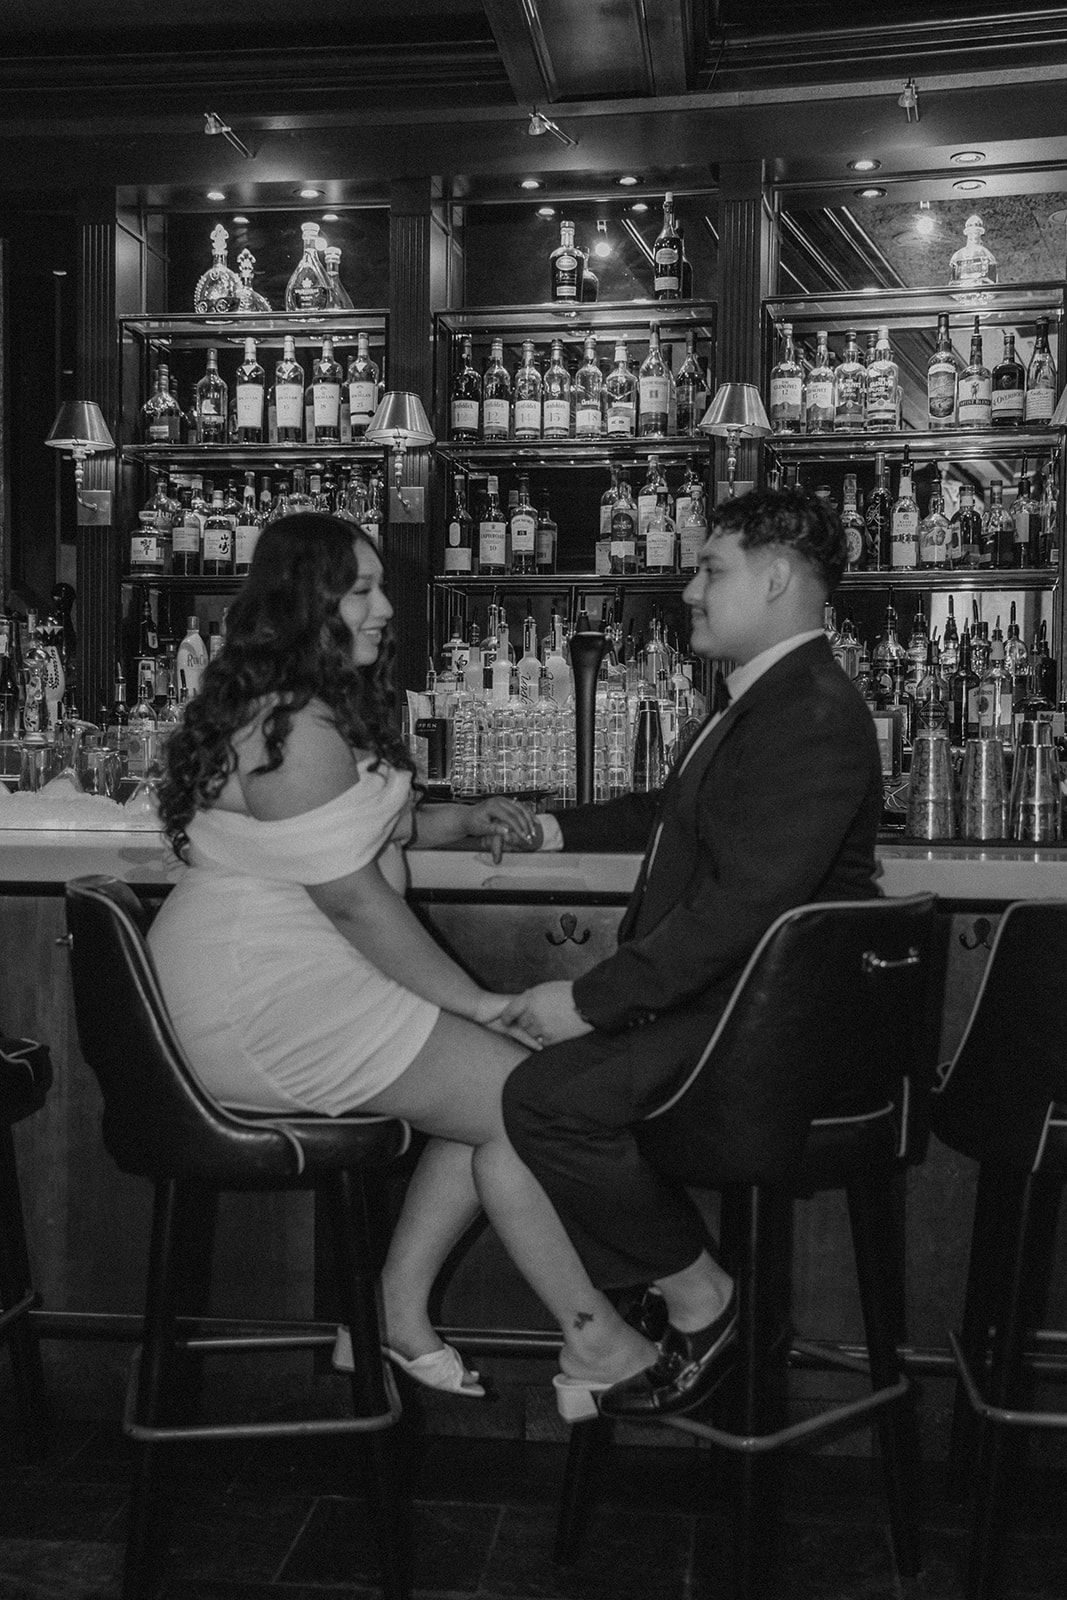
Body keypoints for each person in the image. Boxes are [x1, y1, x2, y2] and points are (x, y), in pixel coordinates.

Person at [152, 513, 658, 1408]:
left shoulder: (299, 712)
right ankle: (586, 1336)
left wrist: (454, 818)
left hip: (297, 980)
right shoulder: (291, 726)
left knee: (516, 1099)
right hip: (264, 996)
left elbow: (340, 831)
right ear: (306, 606)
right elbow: (350, 895)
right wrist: (468, 1000)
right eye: (361, 591)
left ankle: (428, 1315)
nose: (385, 607)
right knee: (526, 1099)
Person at [498, 486, 883, 1419]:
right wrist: (548, 828)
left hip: (772, 1038)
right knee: (538, 1088)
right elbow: (672, 818)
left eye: (711, 570)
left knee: (543, 1099)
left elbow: (740, 907)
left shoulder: (809, 713)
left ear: (778, 576)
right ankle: (648, 1301)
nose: (687, 590)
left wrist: (588, 1001)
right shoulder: (770, 698)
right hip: (736, 1011)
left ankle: (702, 1298)